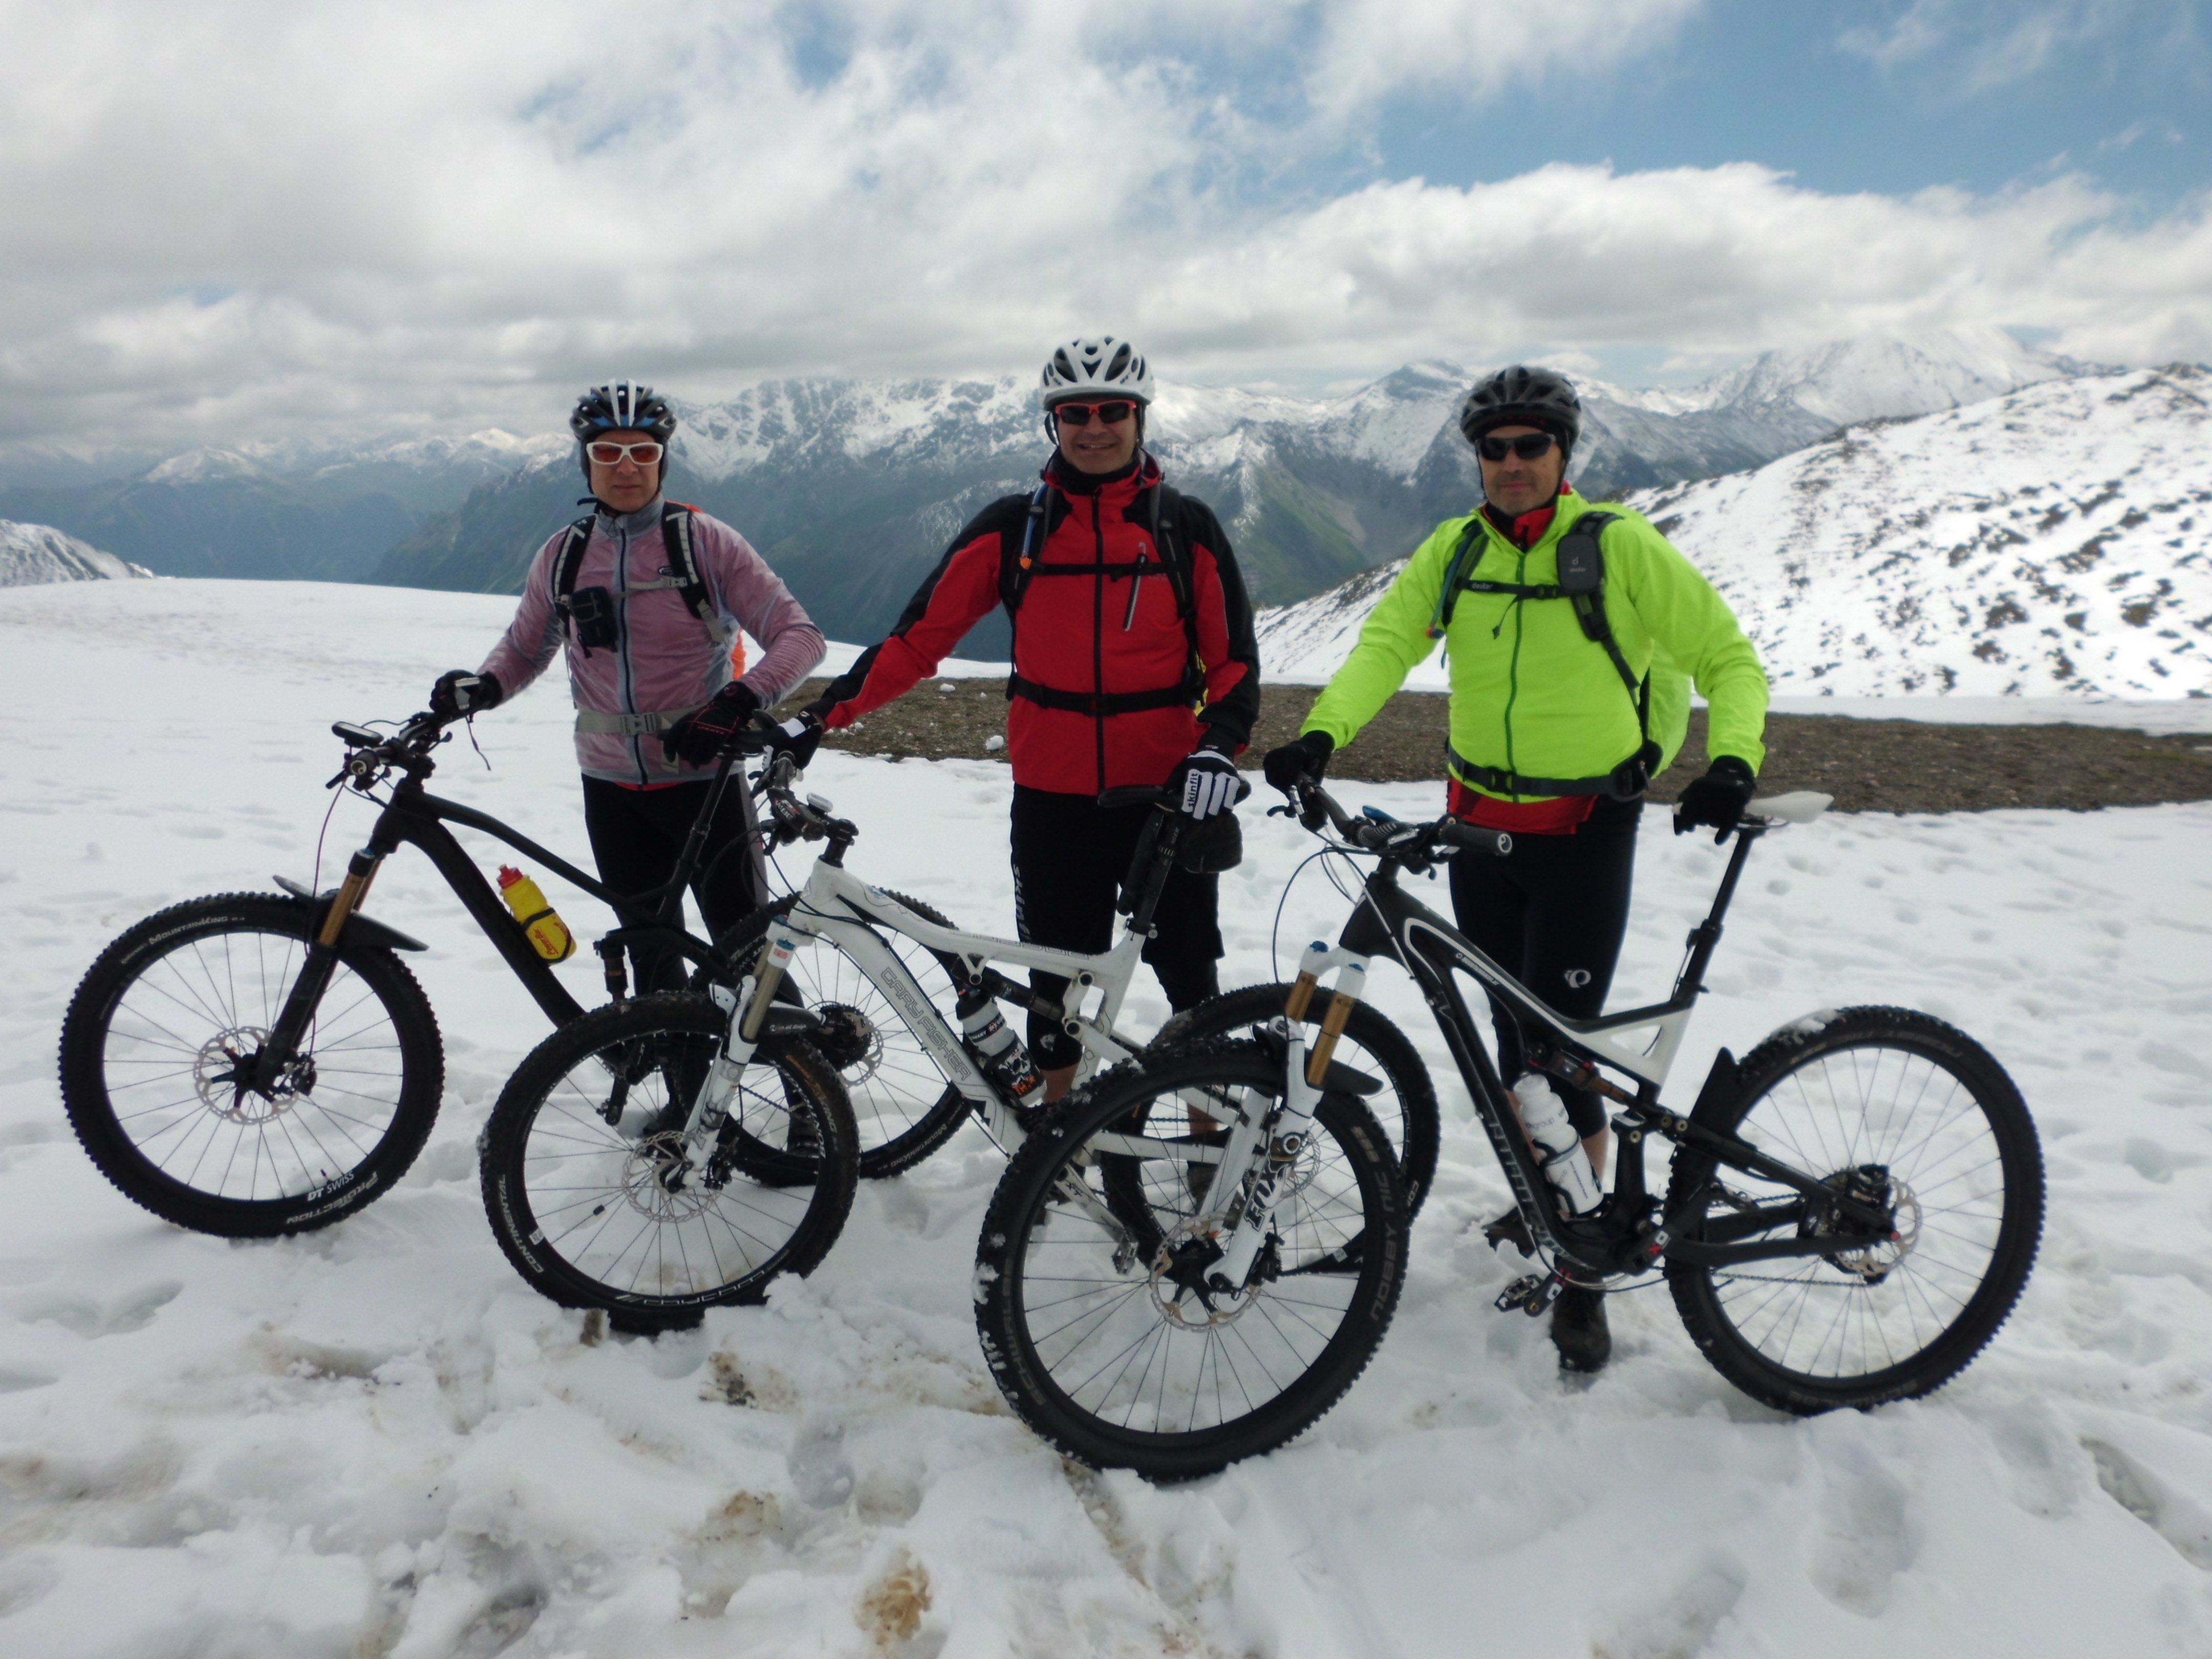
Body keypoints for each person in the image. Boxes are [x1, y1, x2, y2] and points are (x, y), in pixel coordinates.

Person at [1262, 364, 1769, 1374]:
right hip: (1477, 833)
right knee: (1511, 1045)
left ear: (1563, 453)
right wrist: (1321, 736)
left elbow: (1727, 655)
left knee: (1561, 1052)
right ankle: (1553, 1200)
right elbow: (1386, 645)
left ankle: (1584, 1272)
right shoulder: (1456, 551)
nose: (1510, 464)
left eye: (1530, 446)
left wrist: (1733, 761)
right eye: (1493, 449)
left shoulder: (1617, 545)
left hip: (1583, 833)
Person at [800, 336, 1262, 1099]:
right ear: (1054, 422)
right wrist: (821, 717)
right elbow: (918, 641)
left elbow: (1235, 661)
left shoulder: (1185, 527)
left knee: (1190, 977)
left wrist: (1218, 746)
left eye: (1111, 411)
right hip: (1054, 795)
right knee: (1053, 984)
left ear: (1140, 418)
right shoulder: (1015, 528)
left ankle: (1213, 1141)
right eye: (1075, 413)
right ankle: (1060, 1137)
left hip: (1167, 792)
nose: (1094, 427)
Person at [427, 380, 825, 993]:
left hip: (705, 784)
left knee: (746, 957)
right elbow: (526, 648)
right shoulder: (563, 555)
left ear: (662, 460)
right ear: (586, 462)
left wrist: (738, 701)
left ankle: (797, 1060)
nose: (626, 467)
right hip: (611, 789)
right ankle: (678, 1058)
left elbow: (800, 635)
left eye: (642, 452)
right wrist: (482, 687)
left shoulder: (705, 543)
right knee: (650, 959)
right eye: (608, 452)